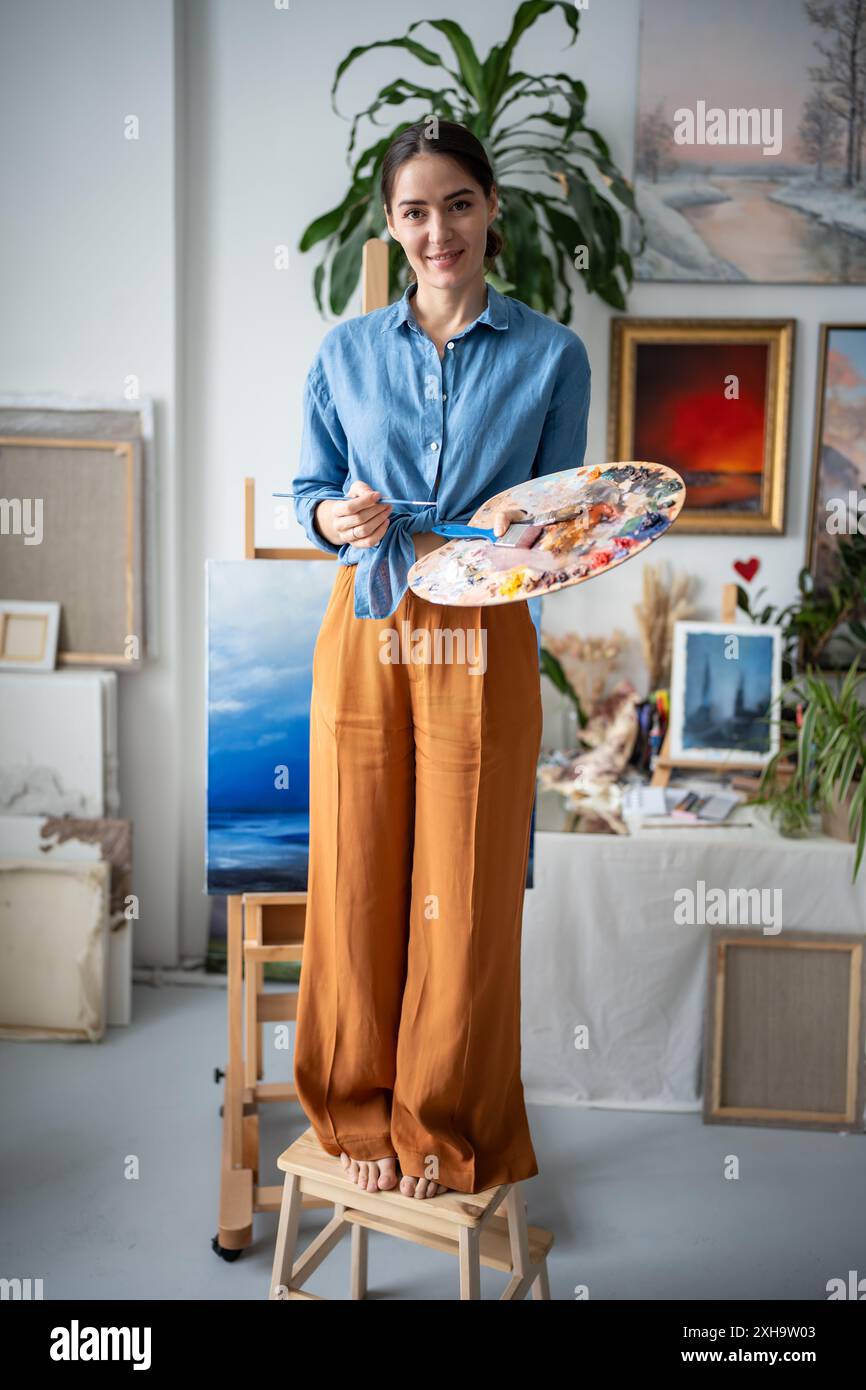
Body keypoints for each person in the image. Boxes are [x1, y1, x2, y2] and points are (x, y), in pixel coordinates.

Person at [292, 118, 591, 1199]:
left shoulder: (552, 353)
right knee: (359, 872)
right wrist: (340, 513)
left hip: (483, 629)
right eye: (414, 211)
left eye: (456, 204)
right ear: (391, 223)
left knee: (463, 889)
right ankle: (356, 1107)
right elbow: (305, 497)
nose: (437, 230)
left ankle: (444, 1123)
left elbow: (561, 522)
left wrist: (531, 542)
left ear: (490, 208)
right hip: (367, 619)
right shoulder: (344, 351)